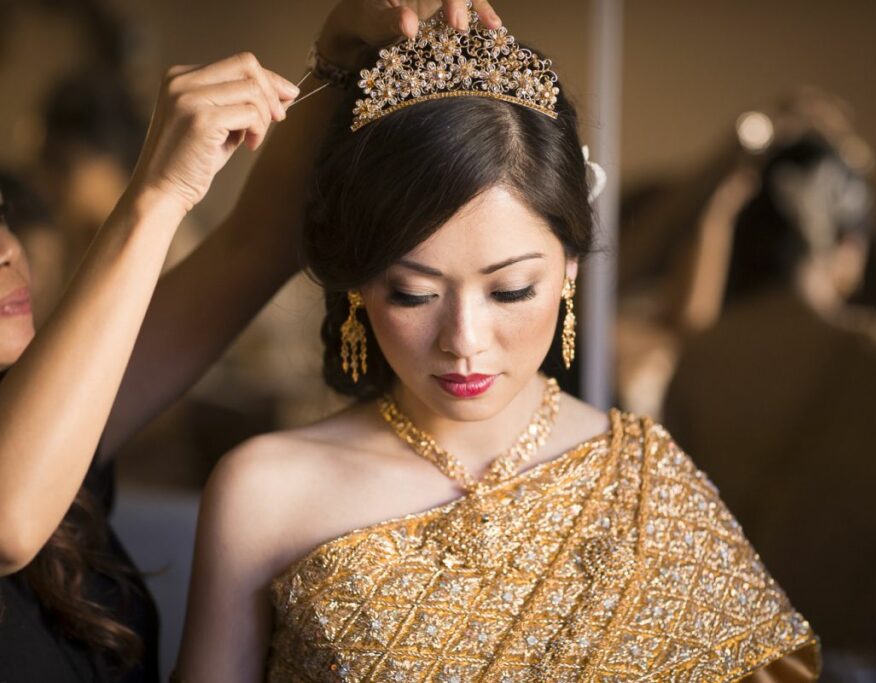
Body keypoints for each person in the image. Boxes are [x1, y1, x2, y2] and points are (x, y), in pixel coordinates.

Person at [175, 6, 821, 682]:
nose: (465, 341)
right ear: (360, 285)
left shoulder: (648, 487)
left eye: (510, 290)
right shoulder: (267, 493)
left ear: (570, 265)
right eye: (414, 294)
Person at [0, 0, 422, 675]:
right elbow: (8, 520)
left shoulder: (36, 401)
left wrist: (339, 55)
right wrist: (155, 194)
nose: (4, 251)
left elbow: (254, 248)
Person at [661, 133, 876, 675]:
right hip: (837, 654)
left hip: (725, 655)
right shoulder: (866, 352)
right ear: (846, 242)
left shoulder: (698, 356)